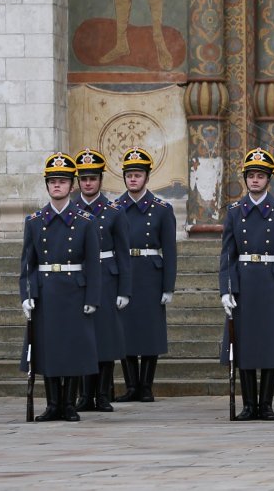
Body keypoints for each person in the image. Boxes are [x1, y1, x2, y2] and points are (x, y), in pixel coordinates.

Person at [219, 148, 274, 421]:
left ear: (269, 180)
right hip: (244, 282)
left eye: (260, 176)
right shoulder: (234, 212)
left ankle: (265, 404)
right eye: (251, 175)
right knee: (243, 346)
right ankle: (248, 404)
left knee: (270, 345)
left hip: (271, 283)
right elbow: (228, 255)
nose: (255, 180)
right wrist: (226, 289)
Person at [20, 153, 101, 422]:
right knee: (49, 348)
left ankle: (69, 404)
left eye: (63, 181)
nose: (57, 186)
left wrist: (92, 296)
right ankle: (53, 403)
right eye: (53, 181)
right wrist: (27, 295)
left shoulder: (85, 221)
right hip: (47, 291)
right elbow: (28, 264)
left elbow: (93, 263)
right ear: (47, 185)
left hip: (75, 290)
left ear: (71, 185)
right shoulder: (34, 221)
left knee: (74, 347)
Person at [114, 147, 177, 402]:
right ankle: (131, 386)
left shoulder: (162, 209)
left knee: (150, 332)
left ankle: (146, 386)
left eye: (138, 174)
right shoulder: (115, 208)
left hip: (151, 272)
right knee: (125, 331)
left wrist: (168, 286)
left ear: (147, 177)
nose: (133, 179)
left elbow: (170, 251)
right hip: (125, 272)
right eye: (129, 174)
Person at [73, 149, 132, 413]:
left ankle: (103, 394)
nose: (88, 183)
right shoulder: (71, 211)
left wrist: (124, 289)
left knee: (106, 339)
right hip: (81, 278)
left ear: (100, 180)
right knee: (84, 338)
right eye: (84, 178)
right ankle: (84, 396)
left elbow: (123, 253)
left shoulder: (114, 211)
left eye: (92, 178)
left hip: (107, 278)